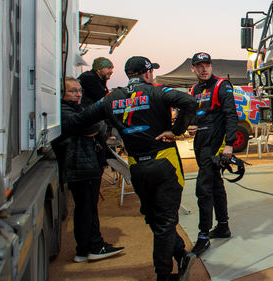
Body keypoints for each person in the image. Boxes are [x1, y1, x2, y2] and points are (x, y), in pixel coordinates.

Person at [62, 56, 198, 281]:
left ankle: (181, 255)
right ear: (146, 74)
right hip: (165, 164)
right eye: (151, 71)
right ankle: (164, 275)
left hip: (136, 166)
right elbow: (190, 102)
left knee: (154, 218)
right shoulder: (157, 91)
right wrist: (176, 130)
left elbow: (78, 121)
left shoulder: (111, 98)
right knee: (164, 221)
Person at [53, 77, 124, 263]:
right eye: (72, 91)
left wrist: (95, 126)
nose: (77, 94)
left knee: (87, 209)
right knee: (86, 210)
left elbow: (96, 126)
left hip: (86, 165)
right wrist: (97, 125)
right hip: (81, 167)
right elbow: (96, 125)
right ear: (62, 93)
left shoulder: (76, 109)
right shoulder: (63, 110)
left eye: (79, 91)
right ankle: (92, 247)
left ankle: (87, 248)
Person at [187, 52, 238, 256]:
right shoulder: (193, 89)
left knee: (204, 189)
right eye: (199, 66)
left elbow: (231, 114)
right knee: (216, 184)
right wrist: (191, 125)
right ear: (193, 68)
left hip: (215, 146)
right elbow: (194, 115)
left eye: (207, 65)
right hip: (200, 144)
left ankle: (203, 235)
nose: (204, 69)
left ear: (211, 66)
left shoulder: (221, 85)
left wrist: (229, 144)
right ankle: (223, 226)